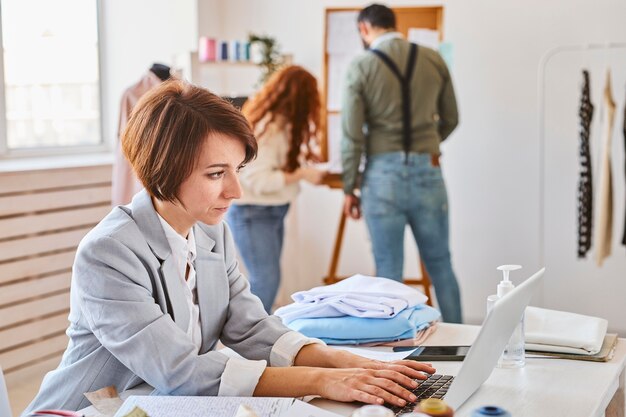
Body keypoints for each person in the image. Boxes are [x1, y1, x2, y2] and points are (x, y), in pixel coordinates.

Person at [22, 80, 435, 415]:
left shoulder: (210, 231)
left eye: (236, 170)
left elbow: (251, 327)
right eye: (217, 173)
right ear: (163, 168)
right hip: (89, 410)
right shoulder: (108, 253)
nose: (236, 191)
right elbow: (181, 370)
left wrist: (350, 363)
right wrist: (322, 380)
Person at [341, 3, 462, 323]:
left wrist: (349, 187)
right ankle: (463, 346)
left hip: (381, 177)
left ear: (364, 29)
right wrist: (427, 144)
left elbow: (351, 135)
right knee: (441, 265)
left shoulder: (361, 66)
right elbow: (452, 118)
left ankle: (397, 352)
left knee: (388, 268)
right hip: (429, 172)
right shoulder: (433, 58)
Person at [226, 65, 326, 313]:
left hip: (269, 212)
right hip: (254, 212)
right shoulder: (270, 128)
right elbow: (259, 180)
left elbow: (271, 167)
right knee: (266, 281)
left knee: (268, 280)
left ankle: (255, 340)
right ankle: (246, 342)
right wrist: (301, 174)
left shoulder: (280, 124)